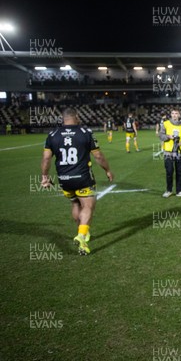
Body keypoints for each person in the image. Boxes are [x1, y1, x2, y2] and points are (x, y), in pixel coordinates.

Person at [40, 107, 114, 256]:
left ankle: (82, 232)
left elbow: (46, 158)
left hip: (64, 179)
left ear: (63, 118)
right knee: (88, 205)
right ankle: (81, 236)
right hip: (83, 177)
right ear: (77, 117)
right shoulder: (85, 133)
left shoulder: (53, 135)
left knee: (75, 203)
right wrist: (107, 170)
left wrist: (45, 176)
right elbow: (98, 155)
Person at [159, 108, 181, 198]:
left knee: (179, 172)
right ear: (171, 114)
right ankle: (169, 190)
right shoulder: (165, 124)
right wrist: (168, 136)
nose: (174, 115)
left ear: (179, 115)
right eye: (173, 113)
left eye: (176, 113)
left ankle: (179, 191)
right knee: (169, 171)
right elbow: (161, 135)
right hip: (168, 152)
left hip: (179, 152)